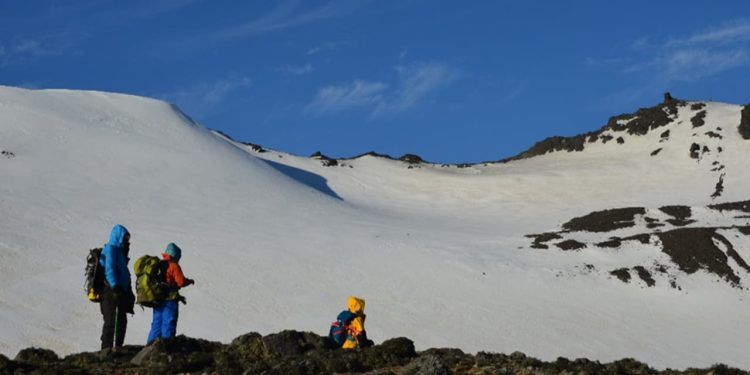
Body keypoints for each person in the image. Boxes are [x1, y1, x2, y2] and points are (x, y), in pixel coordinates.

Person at [146, 243, 194, 344]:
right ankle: (167, 346)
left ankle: (149, 348)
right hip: (170, 299)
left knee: (156, 324)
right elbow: (180, 282)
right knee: (168, 322)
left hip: (158, 298)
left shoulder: (159, 264)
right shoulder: (174, 265)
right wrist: (189, 281)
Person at [99, 224, 135, 351]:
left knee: (120, 323)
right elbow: (110, 269)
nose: (127, 241)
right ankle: (106, 352)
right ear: (119, 237)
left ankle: (116, 350)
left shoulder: (120, 252)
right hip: (110, 292)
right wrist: (116, 287)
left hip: (118, 292)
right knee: (111, 323)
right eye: (125, 238)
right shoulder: (111, 249)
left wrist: (127, 291)